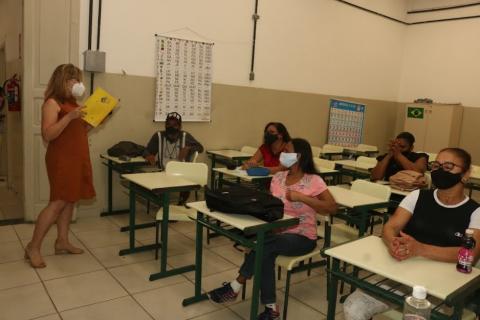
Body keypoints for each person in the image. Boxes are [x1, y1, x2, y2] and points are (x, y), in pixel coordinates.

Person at [343, 147, 480, 320]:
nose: (439, 171)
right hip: (402, 273)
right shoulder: (417, 196)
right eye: (436, 166)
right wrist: (392, 242)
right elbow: (390, 227)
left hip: (444, 285)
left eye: (448, 167)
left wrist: (420, 249)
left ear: (466, 174)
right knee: (353, 307)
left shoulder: (475, 212)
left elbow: (471, 255)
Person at [208, 138, 337, 320]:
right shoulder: (278, 178)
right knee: (265, 250)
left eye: (287, 151)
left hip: (302, 237)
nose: (283, 154)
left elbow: (332, 207)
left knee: (263, 245)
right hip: (276, 233)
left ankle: (236, 285)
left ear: (299, 156)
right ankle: (271, 307)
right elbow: (270, 207)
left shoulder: (313, 180)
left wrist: (302, 198)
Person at [25, 64, 97, 268]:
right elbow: (48, 135)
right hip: (61, 159)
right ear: (62, 81)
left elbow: (80, 131)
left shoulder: (74, 104)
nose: (77, 83)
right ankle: (33, 247)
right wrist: (69, 117)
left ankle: (62, 241)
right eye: (72, 79)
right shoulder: (52, 103)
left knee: (70, 199)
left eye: (78, 80)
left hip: (77, 156)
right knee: (58, 202)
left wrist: (97, 120)